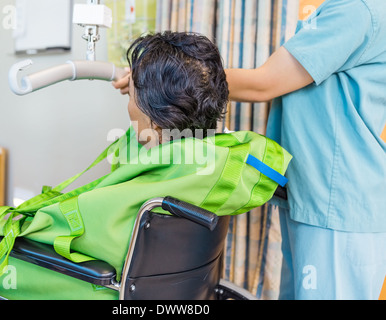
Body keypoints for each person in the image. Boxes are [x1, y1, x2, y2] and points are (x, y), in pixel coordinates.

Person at [114, 1, 386, 301]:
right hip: (315, 193)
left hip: (337, 200)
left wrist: (158, 78)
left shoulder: (358, 10)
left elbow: (264, 84)